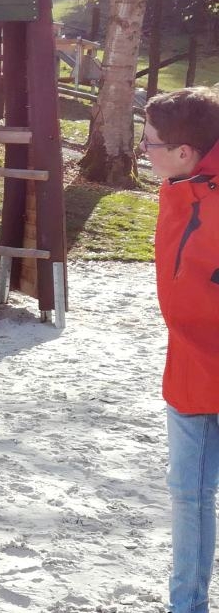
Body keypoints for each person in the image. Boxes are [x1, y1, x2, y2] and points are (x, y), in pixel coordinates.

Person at [142, 86, 219, 613]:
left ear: (184, 151)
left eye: (149, 142)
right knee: (188, 494)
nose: (144, 151)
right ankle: (186, 606)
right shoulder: (181, 189)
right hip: (189, 367)